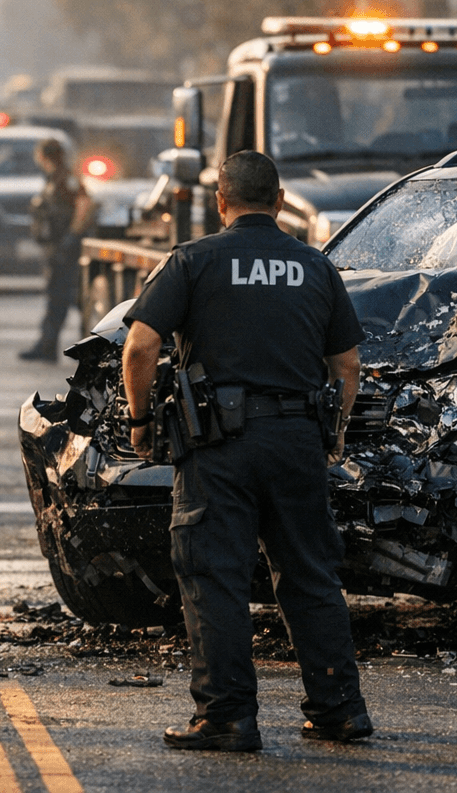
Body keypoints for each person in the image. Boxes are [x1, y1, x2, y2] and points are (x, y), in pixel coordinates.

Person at [120, 150, 372, 752]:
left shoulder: (193, 261)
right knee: (311, 575)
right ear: (281, 201)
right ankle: (340, 711)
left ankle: (228, 716)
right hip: (297, 443)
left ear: (221, 202)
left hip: (219, 447)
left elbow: (139, 346)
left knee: (216, 577)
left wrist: (138, 420)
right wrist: (333, 430)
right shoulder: (316, 266)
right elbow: (348, 365)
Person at [20, 137, 94, 361]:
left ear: (42, 155)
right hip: (57, 248)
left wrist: (72, 237)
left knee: (68, 297)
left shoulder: (65, 178)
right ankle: (47, 345)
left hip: (66, 249)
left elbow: (85, 205)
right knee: (58, 297)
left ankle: (51, 346)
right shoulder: (54, 179)